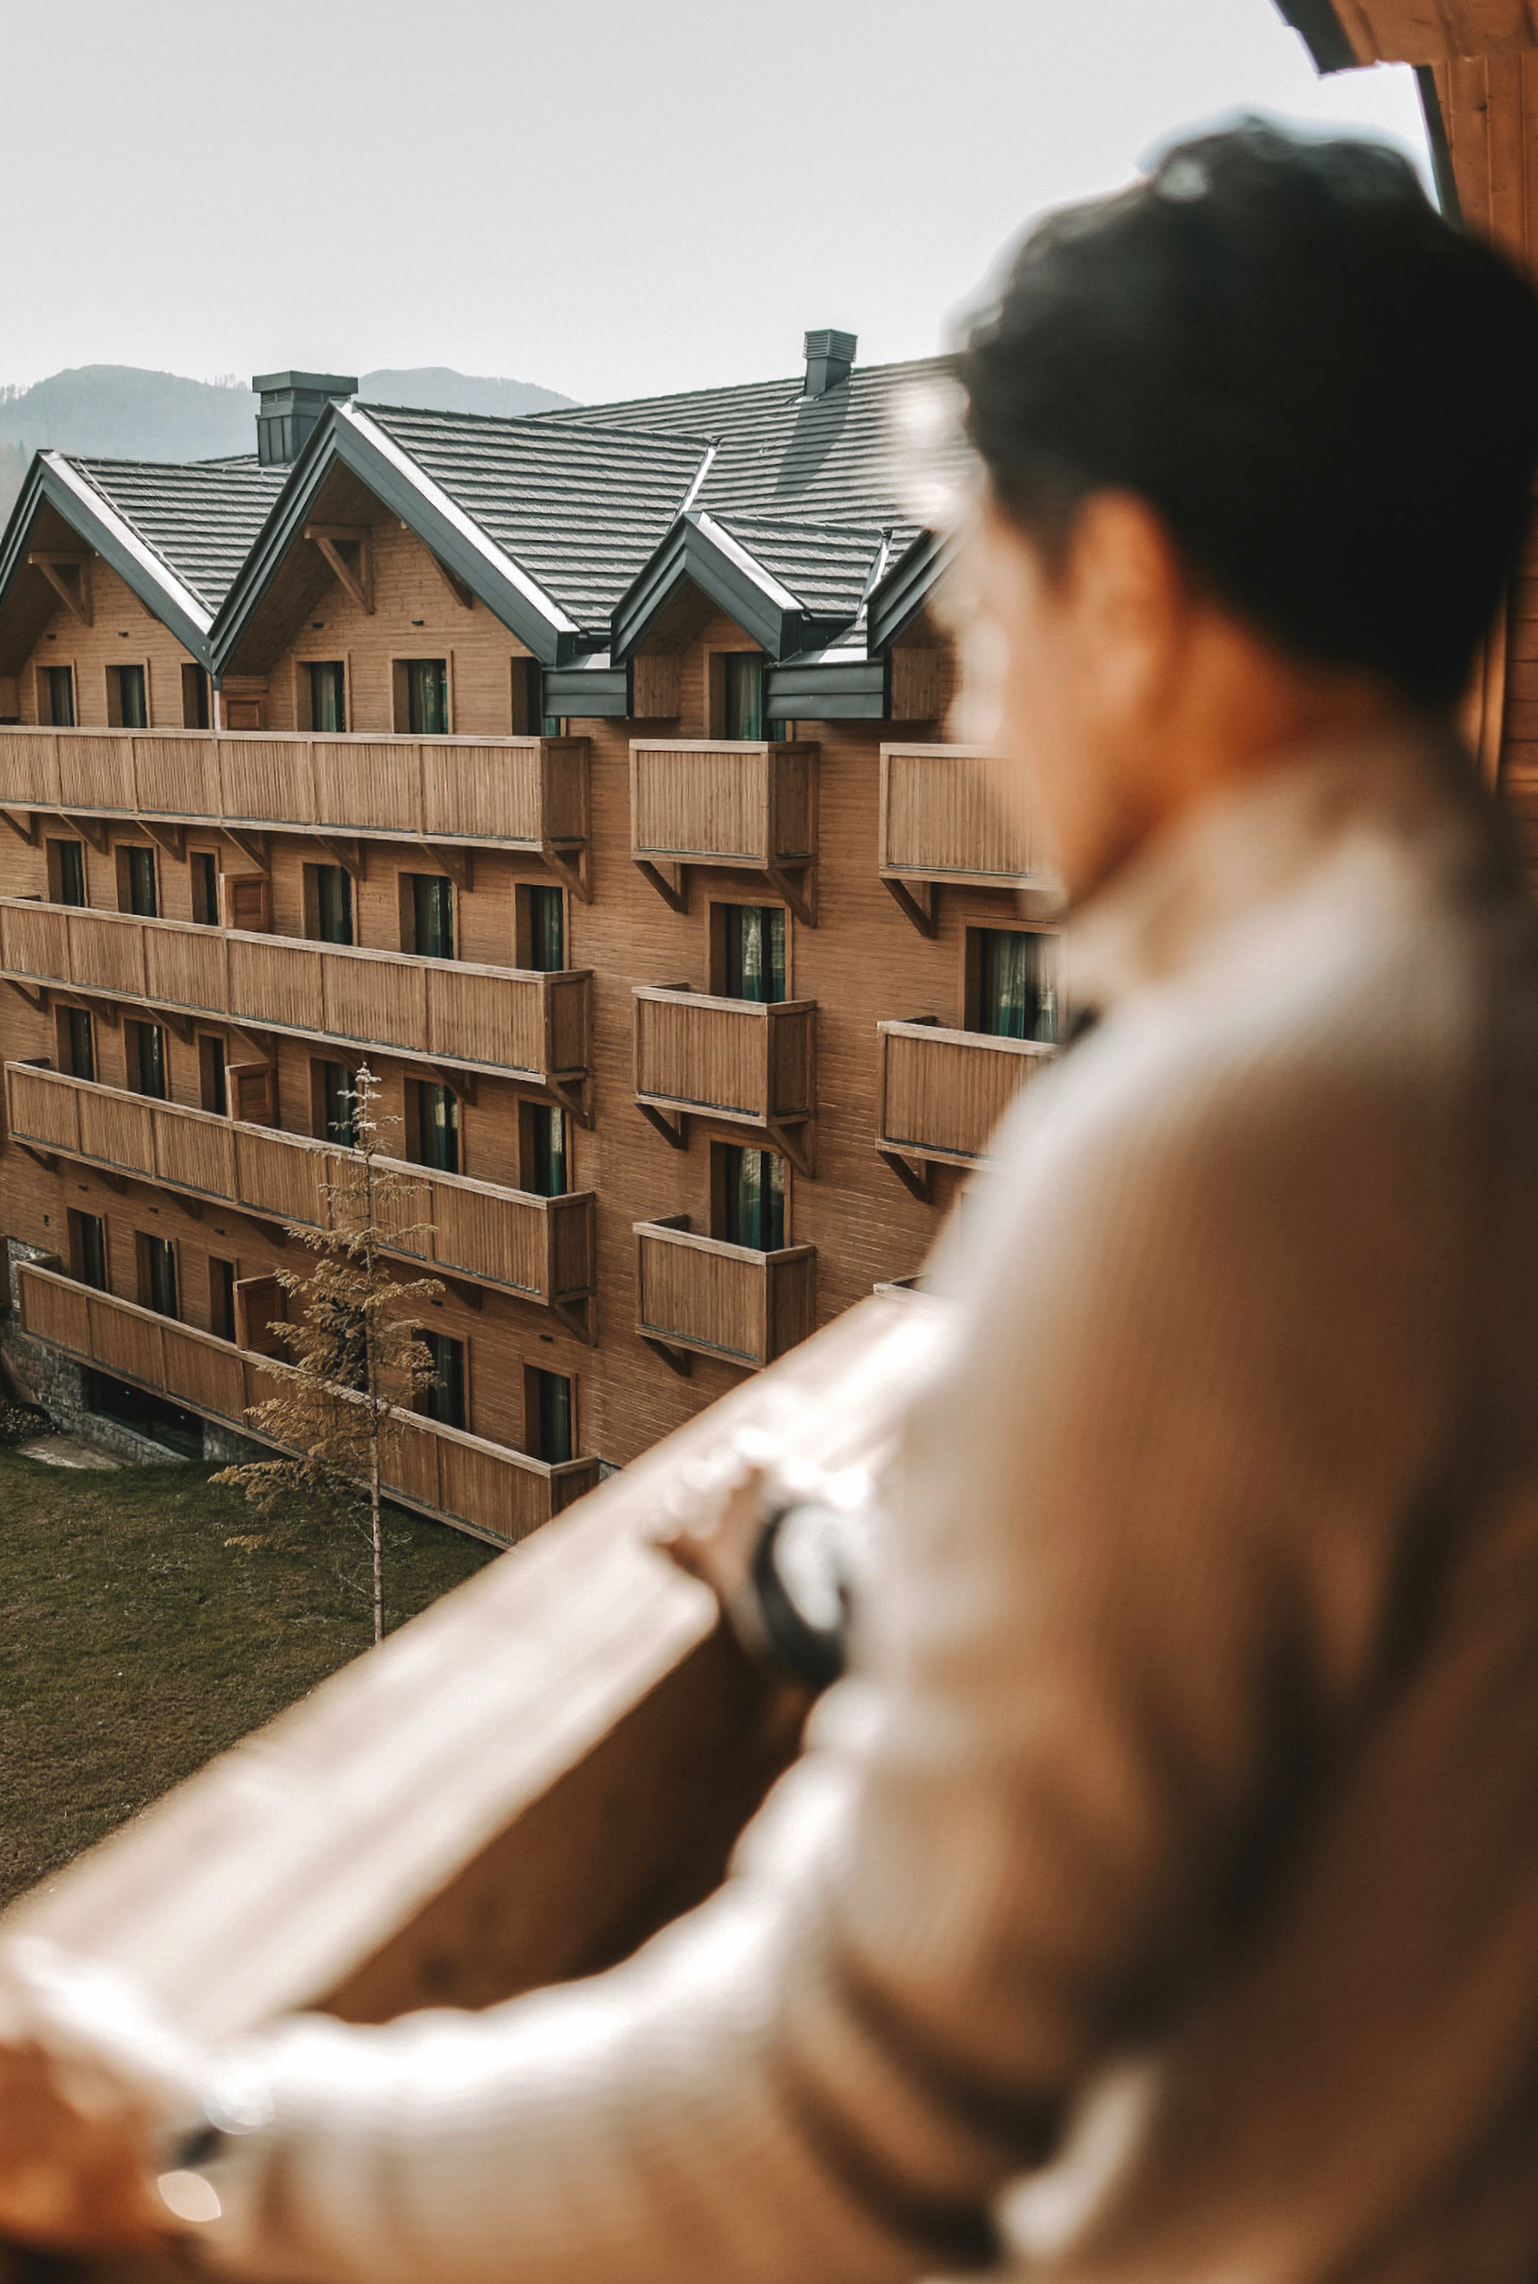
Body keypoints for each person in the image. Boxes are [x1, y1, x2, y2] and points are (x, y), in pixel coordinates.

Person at [8, 117, 1538, 2283]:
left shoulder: (1245, 1133)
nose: (987, 719)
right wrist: (825, 1569)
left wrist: (190, 2137)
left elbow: (829, 2120)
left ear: (1122, 586)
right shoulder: (1461, 1019)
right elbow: (1245, 1645)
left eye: (988, 619)